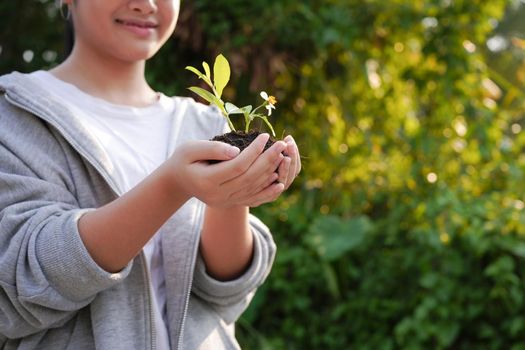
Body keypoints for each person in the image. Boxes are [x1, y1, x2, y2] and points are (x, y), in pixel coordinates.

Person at [0, 0, 301, 349]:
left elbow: (224, 292)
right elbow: (20, 281)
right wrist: (172, 186)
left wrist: (232, 194)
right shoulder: (13, 114)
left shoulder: (204, 123)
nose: (145, 4)